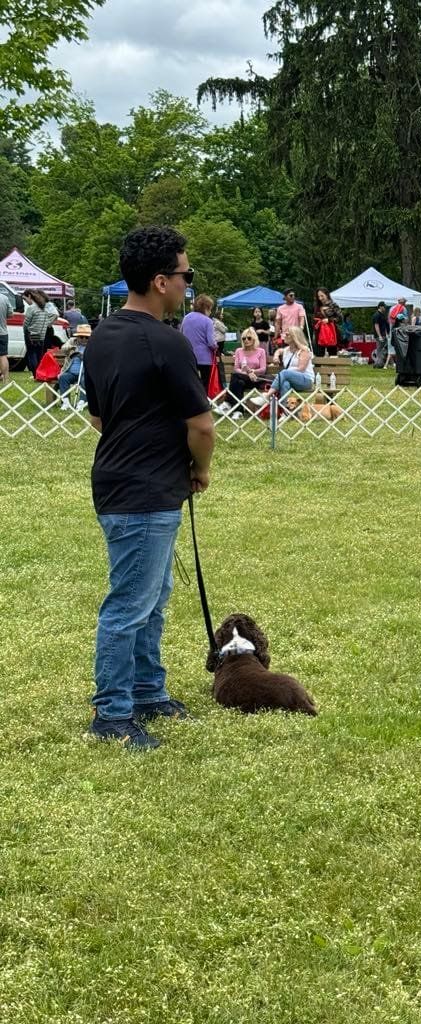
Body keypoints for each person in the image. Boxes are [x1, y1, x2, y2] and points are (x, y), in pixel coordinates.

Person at [82, 226, 215, 750]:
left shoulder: (101, 335)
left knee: (153, 594)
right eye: (185, 275)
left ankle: (147, 690)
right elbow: (202, 425)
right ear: (161, 281)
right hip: (147, 489)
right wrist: (199, 468)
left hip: (118, 481)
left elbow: (98, 416)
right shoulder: (168, 341)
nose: (188, 283)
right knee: (131, 603)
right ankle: (113, 713)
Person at [221, 327, 269, 418]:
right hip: (243, 379)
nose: (246, 340)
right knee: (239, 382)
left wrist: (252, 371)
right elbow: (236, 368)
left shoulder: (261, 351)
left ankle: (228, 402)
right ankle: (238, 412)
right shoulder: (239, 351)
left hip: (256, 380)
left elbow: (263, 369)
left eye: (249, 338)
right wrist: (248, 373)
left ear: (254, 339)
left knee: (236, 377)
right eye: (244, 338)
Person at [265, 325, 315, 400]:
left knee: (285, 372)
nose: (284, 336)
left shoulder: (304, 350)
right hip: (291, 380)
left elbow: (301, 369)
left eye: (287, 334)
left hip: (306, 380)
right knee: (285, 384)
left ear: (294, 337)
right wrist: (276, 356)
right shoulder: (287, 350)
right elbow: (279, 350)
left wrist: (286, 372)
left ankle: (267, 395)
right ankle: (284, 410)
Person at [181, 294, 217, 389]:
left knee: (190, 383)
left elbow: (181, 335)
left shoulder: (186, 318)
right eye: (210, 309)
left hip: (188, 356)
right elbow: (211, 343)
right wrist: (216, 346)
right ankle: (204, 402)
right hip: (204, 359)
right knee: (205, 384)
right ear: (206, 308)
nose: (210, 311)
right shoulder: (208, 321)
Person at [57, 323, 91, 409]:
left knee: (85, 380)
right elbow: (63, 348)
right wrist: (73, 349)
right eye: (81, 337)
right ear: (77, 337)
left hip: (85, 373)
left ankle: (82, 402)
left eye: (86, 337)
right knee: (63, 378)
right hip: (70, 372)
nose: (84, 339)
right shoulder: (72, 341)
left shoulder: (93, 344)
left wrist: (87, 357)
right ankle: (65, 401)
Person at [22, 289, 51, 374]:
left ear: (30, 296)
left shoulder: (31, 308)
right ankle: (39, 373)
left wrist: (25, 332)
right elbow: (46, 321)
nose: (25, 301)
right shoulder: (44, 308)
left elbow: (26, 323)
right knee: (39, 355)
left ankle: (35, 374)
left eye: (25, 299)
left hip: (31, 334)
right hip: (41, 335)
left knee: (32, 355)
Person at [312, 287, 342, 355]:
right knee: (319, 353)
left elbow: (340, 319)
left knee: (332, 352)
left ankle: (332, 365)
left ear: (327, 295)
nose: (320, 298)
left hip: (331, 331)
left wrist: (329, 320)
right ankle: (318, 365)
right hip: (319, 332)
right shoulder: (316, 306)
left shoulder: (333, 305)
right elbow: (314, 318)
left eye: (322, 296)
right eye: (318, 296)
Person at [372, 301, 390, 368]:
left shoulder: (382, 314)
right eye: (384, 307)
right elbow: (376, 325)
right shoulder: (377, 315)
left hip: (383, 335)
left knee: (382, 350)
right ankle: (378, 364)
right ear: (380, 307)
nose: (385, 308)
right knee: (379, 350)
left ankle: (379, 363)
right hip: (380, 335)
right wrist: (379, 336)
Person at [0, 288, 11, 383]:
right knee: (3, 356)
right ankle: (6, 379)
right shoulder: (5, 298)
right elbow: (10, 314)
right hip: (2, 332)